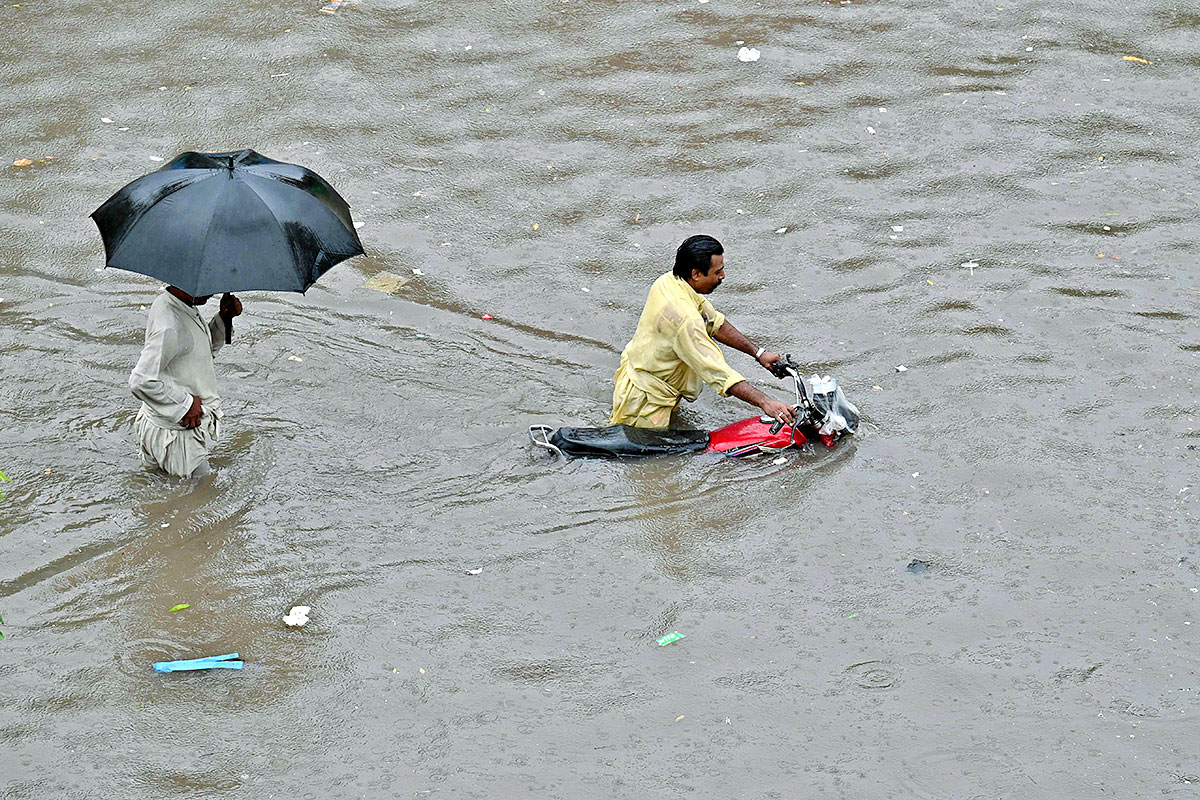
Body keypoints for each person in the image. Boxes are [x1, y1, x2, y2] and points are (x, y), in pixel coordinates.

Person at [610, 235, 797, 430]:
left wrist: (758, 354)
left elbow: (714, 322)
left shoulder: (669, 281)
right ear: (696, 274)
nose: (723, 276)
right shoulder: (685, 320)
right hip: (646, 401)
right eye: (718, 271)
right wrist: (767, 403)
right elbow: (718, 372)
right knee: (650, 457)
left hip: (644, 382)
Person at [129, 286, 243, 478]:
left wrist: (223, 318)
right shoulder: (170, 325)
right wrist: (186, 404)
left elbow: (196, 351)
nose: (213, 291)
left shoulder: (175, 304)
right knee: (200, 498)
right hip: (178, 436)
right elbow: (140, 381)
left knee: (161, 490)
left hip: (161, 425)